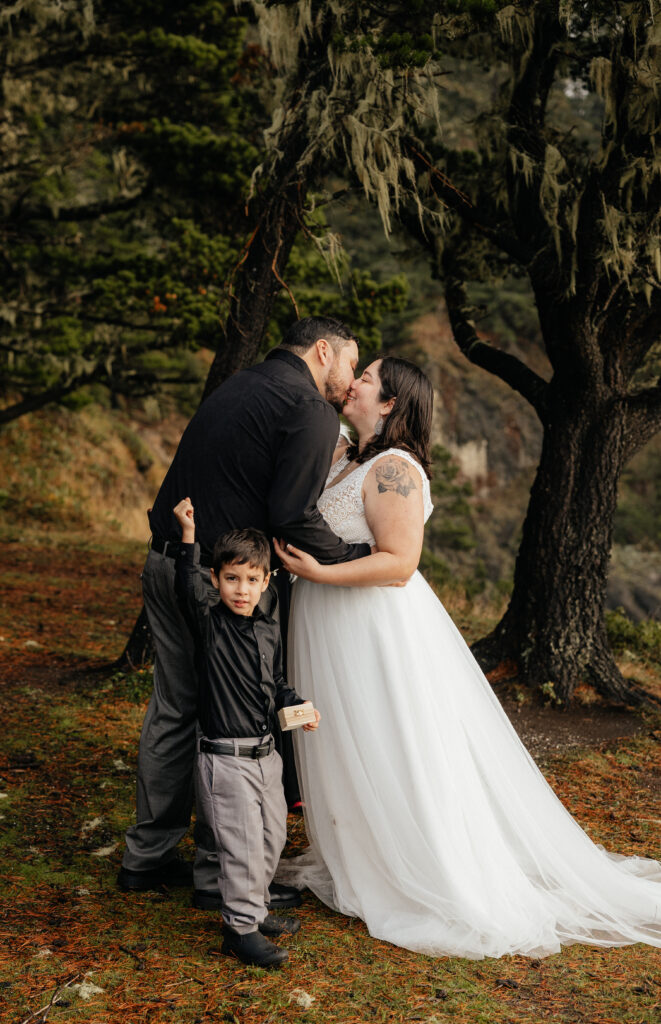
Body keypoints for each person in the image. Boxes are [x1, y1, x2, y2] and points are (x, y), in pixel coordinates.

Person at [274, 355, 661, 959]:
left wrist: (322, 571)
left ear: (391, 403)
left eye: (367, 378)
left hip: (368, 627)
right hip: (328, 622)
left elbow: (400, 563)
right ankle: (357, 852)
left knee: (384, 738)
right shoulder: (353, 457)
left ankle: (418, 862)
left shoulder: (396, 469)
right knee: (344, 741)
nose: (354, 384)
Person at [117, 317, 371, 909]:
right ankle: (221, 876)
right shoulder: (309, 408)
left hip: (167, 561)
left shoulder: (239, 384)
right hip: (226, 584)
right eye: (350, 366)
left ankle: (145, 859)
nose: (351, 380)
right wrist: (360, 556)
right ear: (323, 351)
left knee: (176, 708)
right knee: (229, 720)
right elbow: (293, 517)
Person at [172, 499, 320, 967]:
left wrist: (296, 706)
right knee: (241, 849)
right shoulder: (209, 623)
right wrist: (188, 537)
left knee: (272, 840)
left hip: (266, 757)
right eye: (231, 578)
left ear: (265, 583)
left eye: (252, 579)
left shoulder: (267, 629)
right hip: (225, 759)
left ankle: (254, 910)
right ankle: (240, 930)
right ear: (216, 580)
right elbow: (185, 585)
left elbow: (275, 683)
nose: (241, 589)